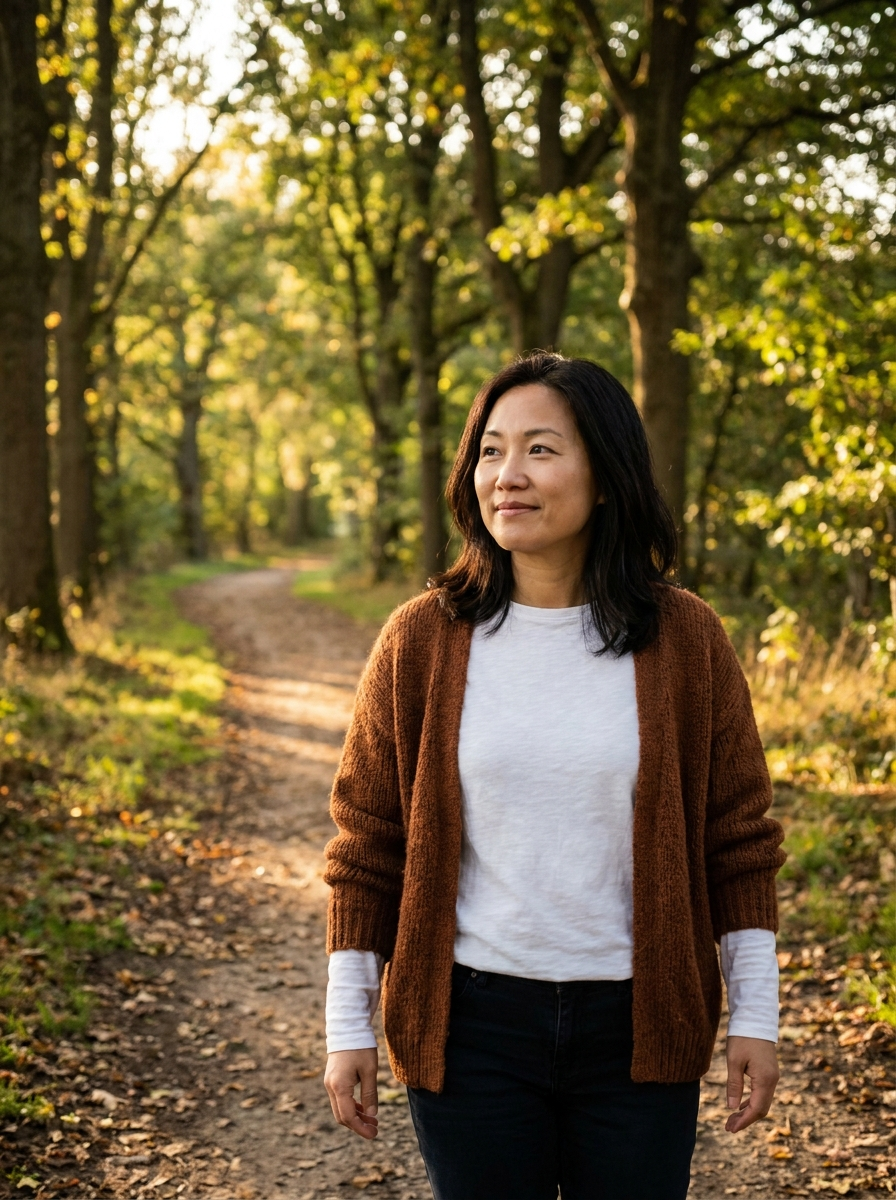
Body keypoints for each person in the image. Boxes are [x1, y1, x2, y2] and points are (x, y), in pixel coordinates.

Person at [322, 352, 785, 1200]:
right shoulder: (421, 640)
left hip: (640, 1030)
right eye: (492, 450)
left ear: (606, 475)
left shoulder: (685, 640)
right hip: (471, 1032)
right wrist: (346, 1022)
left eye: (541, 449)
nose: (509, 475)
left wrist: (757, 1013)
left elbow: (740, 841)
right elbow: (366, 843)